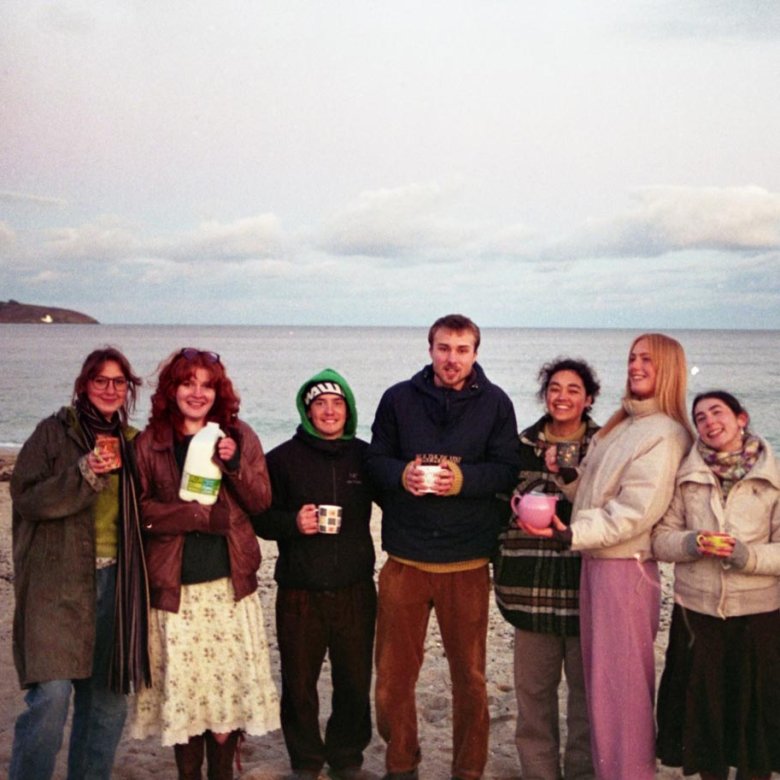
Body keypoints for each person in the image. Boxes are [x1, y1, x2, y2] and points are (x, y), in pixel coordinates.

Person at [522, 333, 692, 780]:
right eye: (633, 358)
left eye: (647, 362)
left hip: (625, 571)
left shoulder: (665, 433)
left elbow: (635, 512)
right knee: (601, 689)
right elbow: (602, 496)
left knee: (623, 693)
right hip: (596, 567)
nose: (635, 366)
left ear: (669, 370)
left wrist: (570, 533)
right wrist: (571, 479)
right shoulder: (624, 424)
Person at [366, 313, 520, 780]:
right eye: (444, 348)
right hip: (405, 559)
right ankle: (401, 765)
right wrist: (401, 475)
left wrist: (461, 480)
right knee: (393, 680)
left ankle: (468, 771)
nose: (452, 359)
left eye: (462, 349)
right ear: (430, 348)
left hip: (467, 562)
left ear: (475, 352)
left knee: (470, 681)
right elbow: (374, 460)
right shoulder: (398, 399)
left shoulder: (495, 404)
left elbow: (507, 471)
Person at [130, 348, 280, 780]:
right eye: (187, 382)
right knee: (188, 712)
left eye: (207, 384)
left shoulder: (238, 435)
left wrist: (233, 464)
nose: (197, 392)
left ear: (219, 391)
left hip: (230, 592)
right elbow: (139, 513)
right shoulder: (149, 443)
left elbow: (261, 501)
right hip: (175, 596)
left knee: (226, 714)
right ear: (171, 389)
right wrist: (195, 515)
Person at [10, 347, 150, 780]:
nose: (110, 389)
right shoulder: (52, 434)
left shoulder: (135, 442)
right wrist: (85, 472)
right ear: (84, 385)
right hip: (57, 583)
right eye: (100, 380)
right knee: (50, 697)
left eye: (119, 381)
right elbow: (26, 498)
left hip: (120, 583)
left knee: (106, 704)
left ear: (128, 389)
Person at [254, 368, 377, 780]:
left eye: (337, 403)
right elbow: (259, 518)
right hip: (299, 591)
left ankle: (346, 758)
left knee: (355, 682)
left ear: (349, 409)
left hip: (355, 588)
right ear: (307, 410)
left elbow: (400, 500)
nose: (328, 411)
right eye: (319, 404)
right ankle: (306, 760)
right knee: (299, 684)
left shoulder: (365, 456)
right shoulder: (281, 459)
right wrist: (293, 523)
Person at [653, 391, 780, 780]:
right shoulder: (687, 476)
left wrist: (748, 556)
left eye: (717, 412)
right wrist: (692, 543)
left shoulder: (773, 479)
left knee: (753, 726)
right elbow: (661, 538)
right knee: (705, 722)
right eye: (700, 417)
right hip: (698, 613)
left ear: (741, 418)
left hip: (758, 617)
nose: (709, 422)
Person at [494, 358, 601, 780]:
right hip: (528, 587)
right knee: (533, 697)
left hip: (586, 589)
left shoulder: (605, 446)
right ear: (545, 394)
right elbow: (497, 501)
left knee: (585, 698)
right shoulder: (520, 445)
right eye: (555, 388)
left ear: (589, 398)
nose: (562, 396)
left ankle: (580, 773)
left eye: (573, 389)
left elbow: (613, 509)